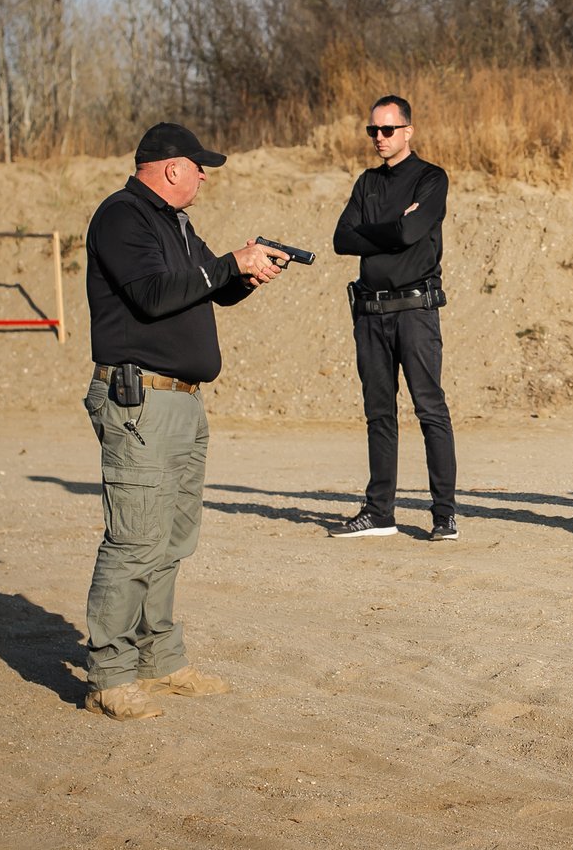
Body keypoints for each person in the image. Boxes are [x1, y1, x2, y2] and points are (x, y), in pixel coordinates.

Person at [81, 121, 290, 721]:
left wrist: (245, 275)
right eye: (199, 167)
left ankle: (160, 661)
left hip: (181, 400)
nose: (203, 176)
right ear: (172, 167)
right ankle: (110, 675)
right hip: (140, 399)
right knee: (135, 539)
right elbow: (151, 295)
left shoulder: (175, 223)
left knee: (172, 539)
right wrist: (229, 263)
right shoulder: (122, 216)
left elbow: (210, 290)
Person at [329, 95, 459, 542]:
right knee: (378, 414)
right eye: (373, 131)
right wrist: (390, 228)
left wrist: (377, 230)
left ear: (408, 131)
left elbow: (409, 232)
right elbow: (341, 239)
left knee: (430, 411)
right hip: (370, 313)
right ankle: (380, 511)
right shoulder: (366, 182)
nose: (379, 138)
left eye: (387, 130)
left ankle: (444, 515)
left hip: (415, 312)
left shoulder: (431, 179)